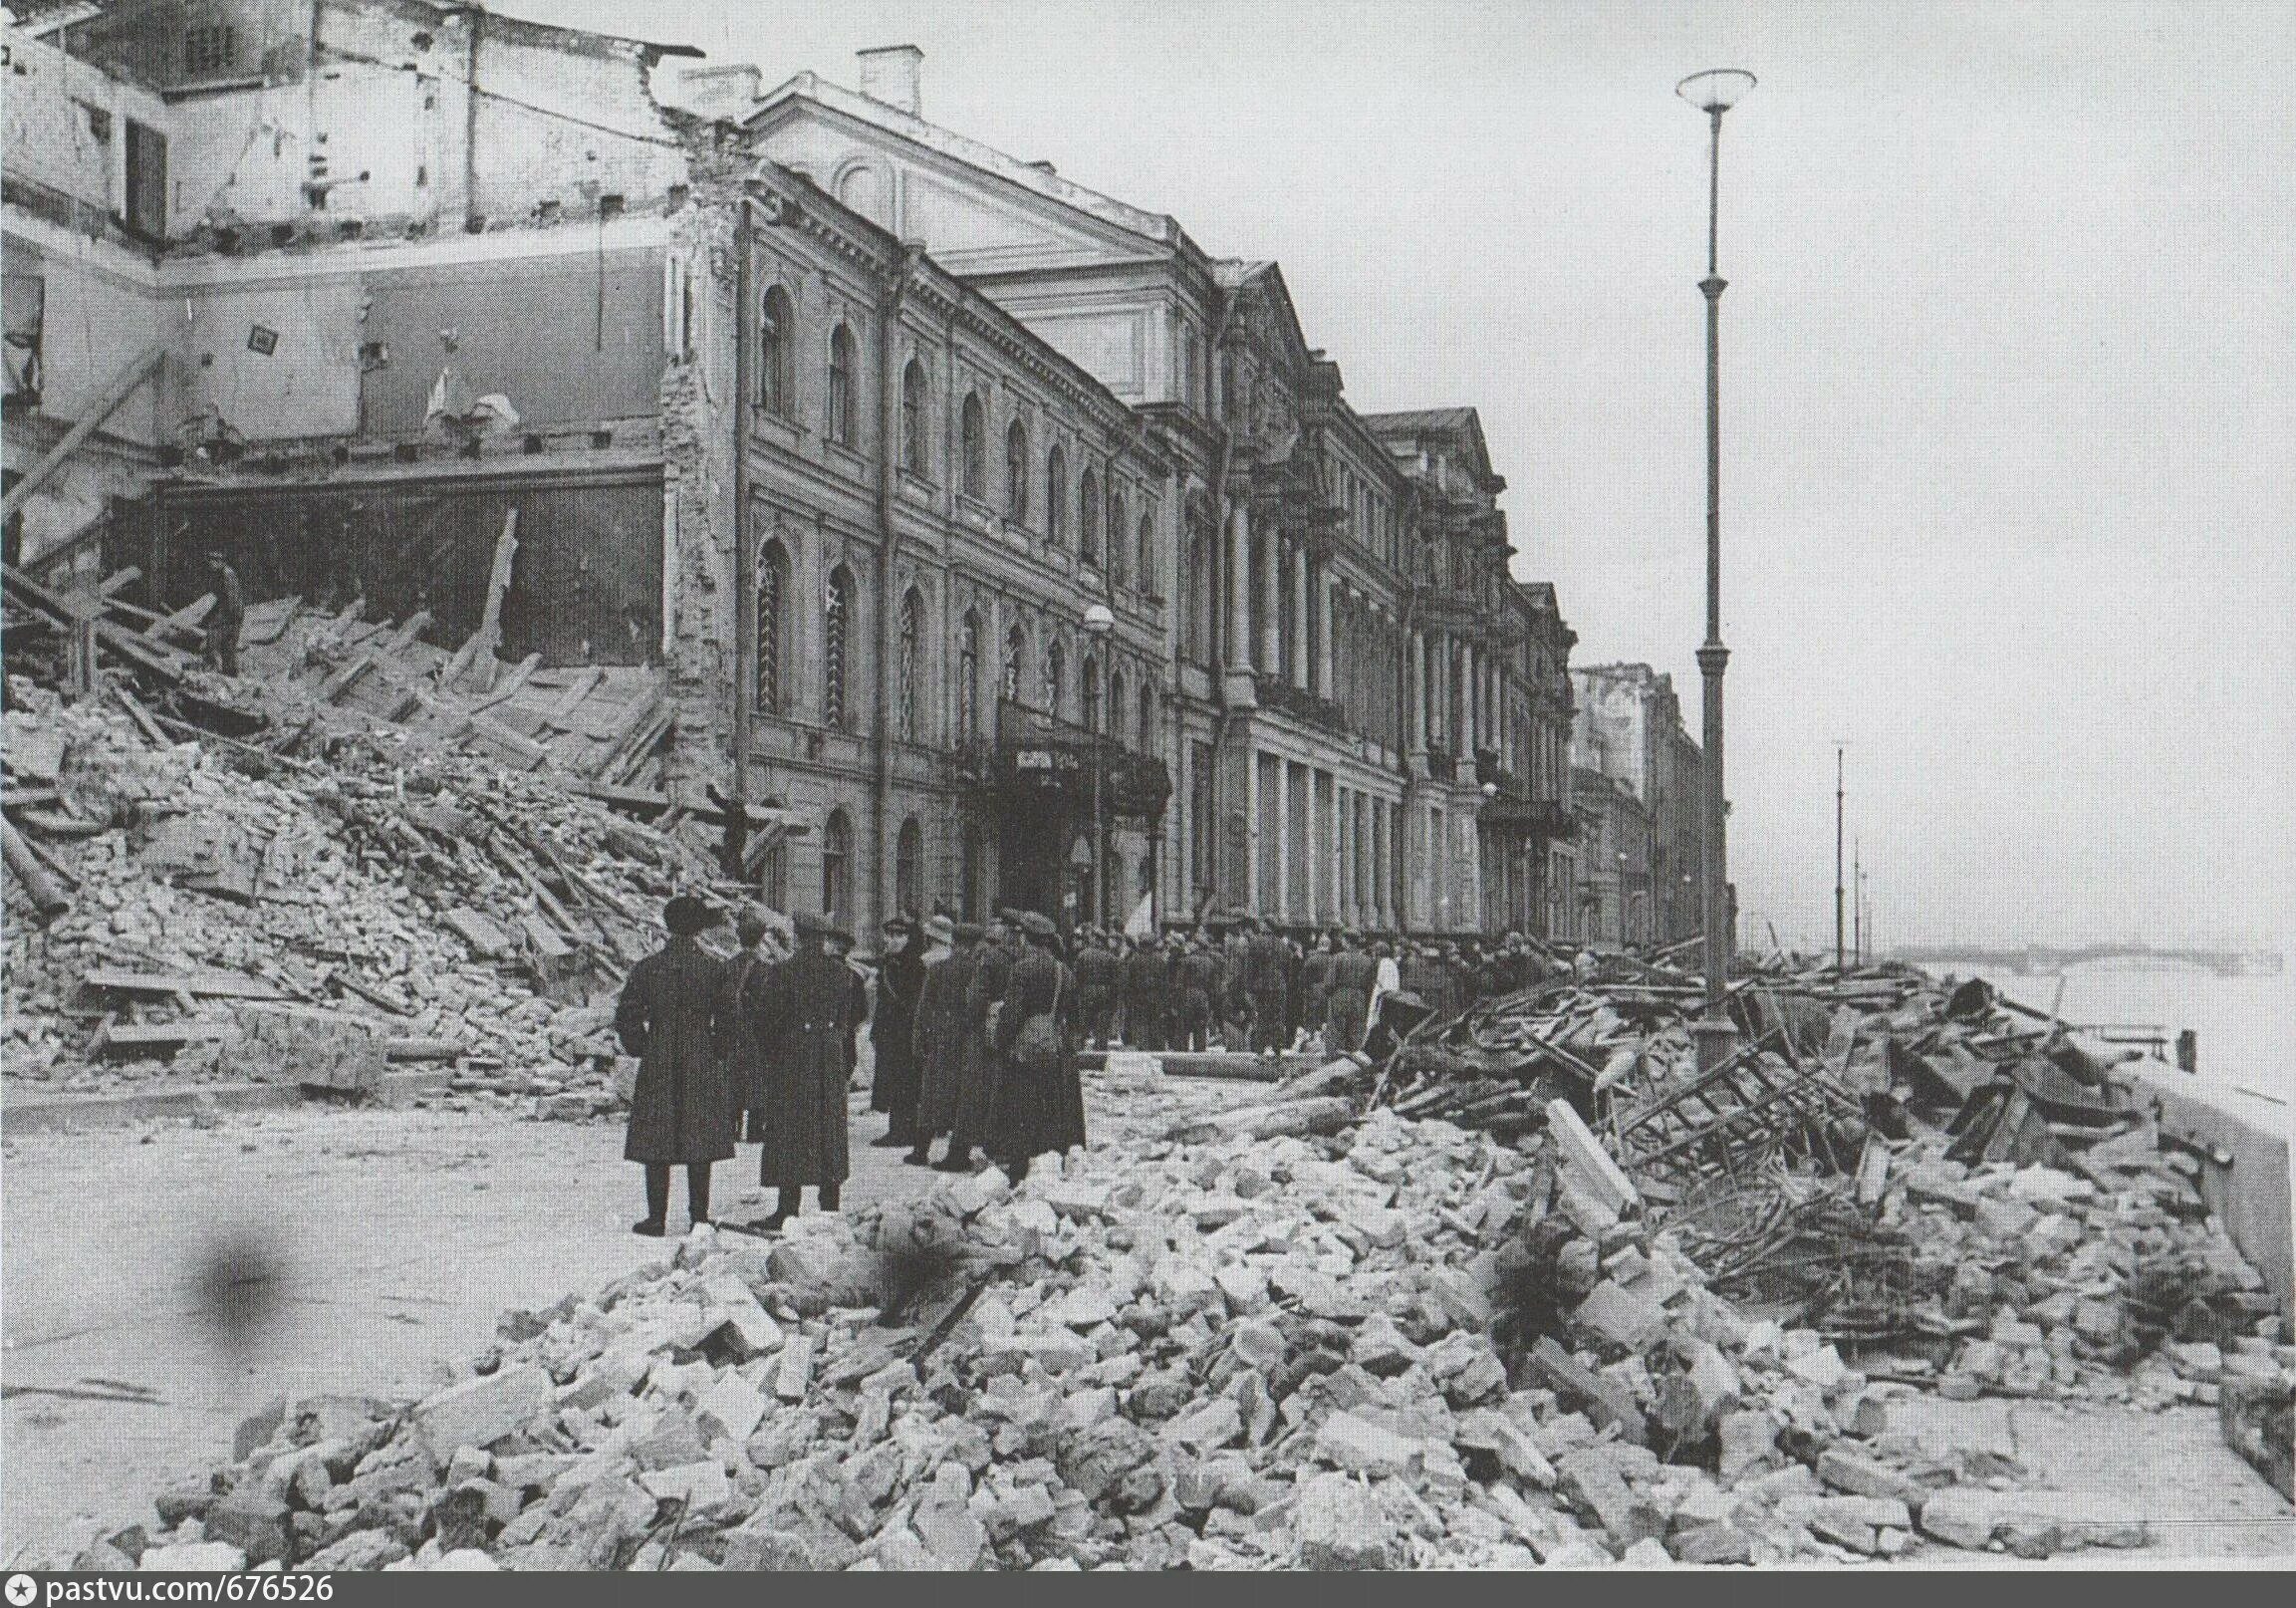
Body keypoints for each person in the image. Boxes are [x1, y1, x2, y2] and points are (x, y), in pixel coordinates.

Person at [615, 894, 734, 1236]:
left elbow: (628, 1015)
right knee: (700, 1134)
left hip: (660, 1052)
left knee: (657, 1135)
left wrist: (641, 1046)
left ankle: (656, 1218)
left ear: (667, 925)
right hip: (700, 1052)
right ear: (700, 927)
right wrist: (717, 1050)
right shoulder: (714, 968)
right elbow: (728, 1018)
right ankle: (699, 1215)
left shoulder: (648, 968)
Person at [748, 911, 860, 1226]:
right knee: (830, 1125)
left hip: (793, 1055)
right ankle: (830, 1202)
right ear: (823, 939)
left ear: (797, 937)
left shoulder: (783, 972)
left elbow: (765, 1020)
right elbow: (848, 1019)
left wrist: (774, 1055)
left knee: (789, 1126)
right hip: (829, 1053)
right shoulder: (844, 975)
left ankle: (788, 1206)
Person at [989, 911, 1085, 1182]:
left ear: (1026, 939)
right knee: (1051, 1108)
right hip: (1055, 1046)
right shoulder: (1063, 970)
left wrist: (1001, 1043)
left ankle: (1019, 1169)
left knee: (1021, 1109)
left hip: (1027, 1049)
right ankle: (1049, 1164)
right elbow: (1075, 1015)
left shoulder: (1023, 969)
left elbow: (1012, 1014)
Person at [946, 913, 1018, 1172]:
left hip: (982, 1033)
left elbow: (976, 998)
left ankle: (959, 1152)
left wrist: (970, 1023)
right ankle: (995, 1148)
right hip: (1007, 1034)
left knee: (972, 1090)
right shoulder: (1018, 958)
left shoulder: (990, 959)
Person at [906, 915, 966, 1166]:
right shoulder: (976, 967)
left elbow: (924, 1006)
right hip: (965, 1038)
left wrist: (919, 1037)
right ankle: (957, 1148)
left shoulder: (935, 967)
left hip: (940, 1036)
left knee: (931, 1093)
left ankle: (921, 1150)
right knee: (962, 1093)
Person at [716, 905, 777, 1145]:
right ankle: (755, 1130)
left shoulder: (727, 966)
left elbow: (720, 1001)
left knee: (733, 1077)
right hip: (757, 1032)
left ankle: (731, 1127)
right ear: (761, 939)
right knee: (757, 1079)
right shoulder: (766, 970)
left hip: (733, 1030)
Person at [869, 915, 927, 1149]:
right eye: (889, 935)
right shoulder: (888, 964)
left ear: (909, 939)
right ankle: (898, 1128)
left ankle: (903, 1131)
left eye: (898, 936)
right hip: (889, 1031)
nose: (892, 940)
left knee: (906, 1080)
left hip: (905, 1032)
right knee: (892, 1079)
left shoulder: (915, 966)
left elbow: (916, 1002)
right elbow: (882, 1002)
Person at [1245, 916, 1291, 1055]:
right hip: (1279, 985)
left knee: (1262, 1018)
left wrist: (1249, 988)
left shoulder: (1255, 943)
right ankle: (1277, 1050)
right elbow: (1288, 969)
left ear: (1265, 926)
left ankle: (1260, 1050)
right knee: (1277, 1019)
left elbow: (1250, 969)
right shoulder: (1283, 945)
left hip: (1262, 986)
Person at [1325, 930, 1375, 1055]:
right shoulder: (1367, 960)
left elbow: (1329, 982)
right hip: (1360, 997)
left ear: (1346, 942)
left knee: (1336, 1032)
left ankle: (1334, 1063)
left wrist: (1330, 993)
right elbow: (1370, 984)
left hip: (1340, 995)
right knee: (1356, 1032)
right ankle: (1353, 1064)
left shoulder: (1337, 958)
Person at [1121, 927, 1168, 1050]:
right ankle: (1157, 1050)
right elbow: (1165, 984)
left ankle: (1143, 1050)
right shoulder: (1160, 961)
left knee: (1141, 1027)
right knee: (1156, 1026)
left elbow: (1127, 983)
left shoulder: (1134, 961)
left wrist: (1128, 1000)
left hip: (1139, 999)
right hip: (1156, 1000)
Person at [1074, 926, 1118, 1050]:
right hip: (1105, 993)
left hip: (1086, 992)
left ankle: (1078, 1054)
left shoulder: (1082, 955)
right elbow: (1115, 981)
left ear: (1094, 939)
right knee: (1102, 1029)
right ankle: (1100, 1056)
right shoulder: (1110, 958)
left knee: (1083, 1026)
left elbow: (1076, 976)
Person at [201, 553, 246, 677]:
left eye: (213, 561)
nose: (210, 564)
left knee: (214, 637)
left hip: (232, 614)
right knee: (228, 647)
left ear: (219, 561)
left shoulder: (227, 574)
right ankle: (229, 674)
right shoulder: (224, 573)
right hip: (234, 614)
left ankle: (217, 669)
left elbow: (232, 599)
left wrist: (226, 618)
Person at [1173, 932, 1217, 1052]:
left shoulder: (1187, 960)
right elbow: (1213, 986)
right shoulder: (1210, 962)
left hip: (1189, 994)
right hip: (1203, 995)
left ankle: (1182, 1053)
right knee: (1201, 1026)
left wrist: (1176, 1001)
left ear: (1197, 945)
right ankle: (1200, 1051)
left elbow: (1179, 982)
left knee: (1183, 1027)